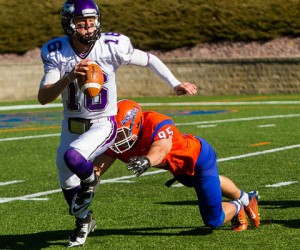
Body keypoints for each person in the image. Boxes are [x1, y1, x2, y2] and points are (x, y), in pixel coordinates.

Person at [37, 0, 197, 247]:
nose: (89, 29)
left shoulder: (112, 46)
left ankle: (90, 181)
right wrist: (69, 77)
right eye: (82, 24)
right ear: (69, 25)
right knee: (66, 179)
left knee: (73, 157)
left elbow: (150, 59)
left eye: (92, 22)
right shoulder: (56, 51)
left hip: (103, 122)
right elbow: (44, 97)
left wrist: (174, 83)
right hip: (71, 124)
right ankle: (84, 222)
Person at [94, 99, 260, 233]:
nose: (117, 139)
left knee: (213, 220)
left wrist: (147, 160)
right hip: (178, 167)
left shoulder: (156, 121)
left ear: (135, 125)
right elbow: (97, 169)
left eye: (121, 133)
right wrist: (86, 180)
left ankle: (238, 206)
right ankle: (246, 198)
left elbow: (161, 148)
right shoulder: (119, 142)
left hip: (200, 158)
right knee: (200, 182)